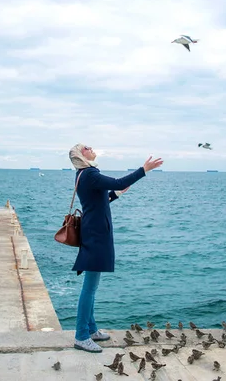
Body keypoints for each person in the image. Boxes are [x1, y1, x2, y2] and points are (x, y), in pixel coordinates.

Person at [68, 143, 163, 353]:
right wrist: (143, 170)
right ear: (80, 156)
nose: (90, 148)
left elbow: (98, 202)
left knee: (91, 286)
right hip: (95, 235)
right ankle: (81, 336)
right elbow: (119, 181)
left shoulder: (83, 175)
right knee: (89, 288)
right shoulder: (90, 173)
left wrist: (116, 194)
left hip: (94, 232)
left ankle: (91, 330)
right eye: (85, 148)